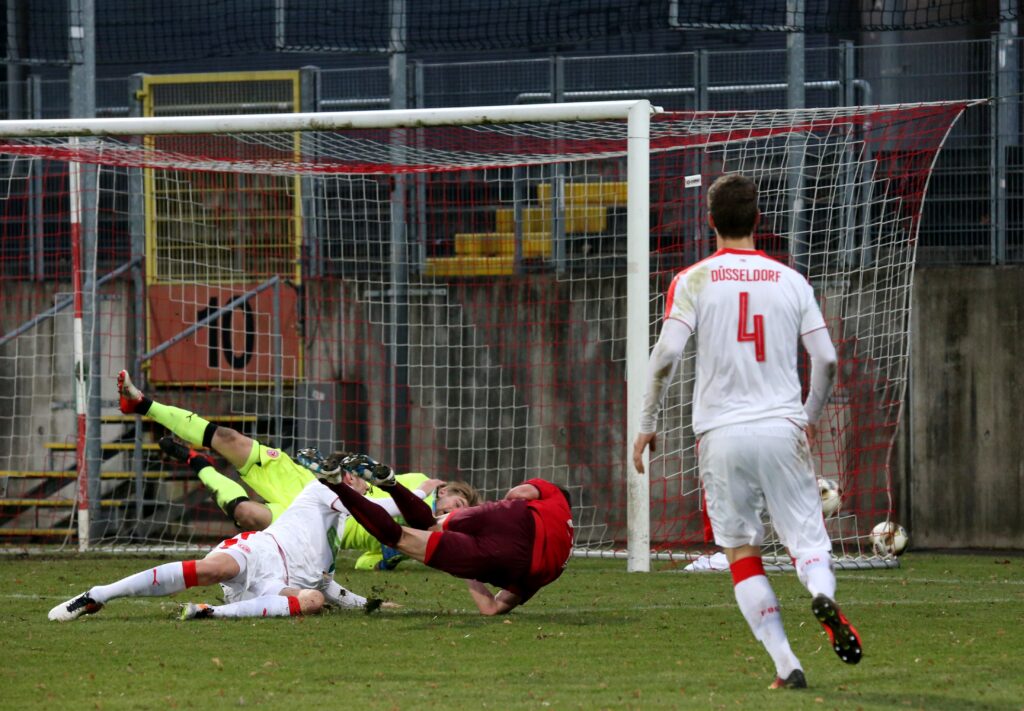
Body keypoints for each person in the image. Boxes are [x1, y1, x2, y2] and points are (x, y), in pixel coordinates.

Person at [631, 173, 860, 690]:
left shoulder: (693, 279)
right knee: (808, 542)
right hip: (782, 427)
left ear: (710, 221)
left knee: (740, 553)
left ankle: (787, 664)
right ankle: (821, 593)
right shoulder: (791, 281)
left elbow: (665, 355)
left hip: (721, 435)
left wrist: (647, 423)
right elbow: (826, 359)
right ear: (758, 220)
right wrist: (807, 415)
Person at [116, 369, 479, 569]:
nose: (452, 512)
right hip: (309, 482)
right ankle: (142, 403)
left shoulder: (425, 537)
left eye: (457, 514)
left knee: (246, 514)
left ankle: (198, 463)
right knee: (229, 438)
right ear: (445, 489)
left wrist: (388, 558)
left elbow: (364, 563)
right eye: (457, 504)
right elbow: (366, 472)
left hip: (315, 523)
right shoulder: (418, 484)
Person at [48, 467, 393, 622]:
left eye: (363, 481)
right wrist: (415, 497)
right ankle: (99, 594)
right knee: (214, 569)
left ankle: (209, 613)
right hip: (261, 552)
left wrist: (371, 605)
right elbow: (381, 512)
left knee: (313, 601)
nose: (359, 483)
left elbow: (326, 585)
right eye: (355, 476)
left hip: (274, 588)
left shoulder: (337, 530)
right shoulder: (321, 490)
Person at [318, 457, 573, 616]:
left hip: (513, 519)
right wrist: (469, 568)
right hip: (513, 563)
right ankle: (336, 483)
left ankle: (386, 484)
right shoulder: (557, 564)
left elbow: (519, 493)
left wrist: (504, 510)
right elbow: (491, 608)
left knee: (431, 526)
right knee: (400, 538)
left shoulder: (555, 497)